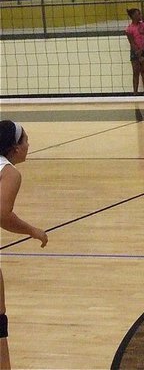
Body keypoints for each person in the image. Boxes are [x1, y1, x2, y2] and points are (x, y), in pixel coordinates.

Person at [0, 121, 49, 370]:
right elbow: (2, 214)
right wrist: (32, 230)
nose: (29, 145)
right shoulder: (9, 173)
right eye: (26, 141)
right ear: (15, 149)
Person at [125, 8, 144, 96]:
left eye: (140, 14)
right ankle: (135, 93)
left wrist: (141, 50)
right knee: (135, 72)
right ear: (133, 16)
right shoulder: (129, 29)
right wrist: (137, 51)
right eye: (138, 14)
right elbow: (131, 42)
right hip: (134, 52)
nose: (140, 16)